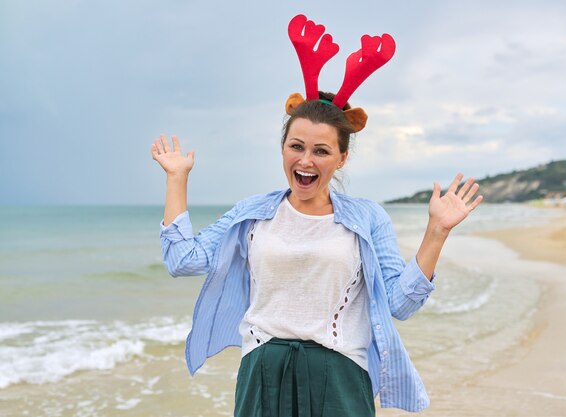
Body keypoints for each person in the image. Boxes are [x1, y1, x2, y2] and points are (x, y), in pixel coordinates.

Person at [153, 15, 482, 416]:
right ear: (283, 148)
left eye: (321, 151)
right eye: (296, 146)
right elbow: (183, 260)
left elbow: (400, 304)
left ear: (342, 158)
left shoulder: (367, 219)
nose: (306, 161)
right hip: (263, 373)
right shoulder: (253, 215)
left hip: (340, 376)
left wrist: (437, 232)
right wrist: (177, 180)